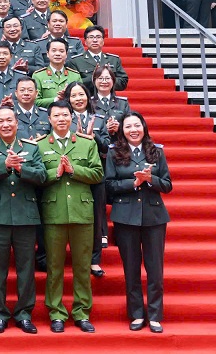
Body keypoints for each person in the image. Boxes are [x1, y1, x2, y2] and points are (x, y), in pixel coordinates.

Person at [36, 100, 103, 333]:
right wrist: (54, 173)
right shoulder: (39, 145)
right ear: (49, 119)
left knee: (82, 266)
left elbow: (98, 173)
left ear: (72, 117)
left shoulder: (86, 143)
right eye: (56, 116)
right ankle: (56, 312)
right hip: (53, 212)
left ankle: (82, 312)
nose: (61, 119)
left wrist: (74, 170)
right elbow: (35, 176)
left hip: (81, 212)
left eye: (65, 115)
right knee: (54, 267)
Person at [0, 107, 45, 334]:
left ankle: (24, 313)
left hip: (25, 214)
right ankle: (0, 314)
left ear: (17, 123)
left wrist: (21, 168)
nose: (5, 125)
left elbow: (42, 176)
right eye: (0, 121)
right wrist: (4, 166)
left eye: (9, 120)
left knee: (26, 268)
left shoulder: (31, 147)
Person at [105, 112, 172, 333]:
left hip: (154, 217)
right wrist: (133, 183)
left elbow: (167, 185)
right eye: (128, 126)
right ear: (122, 131)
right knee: (131, 269)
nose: (133, 130)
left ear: (144, 127)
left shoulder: (156, 151)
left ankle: (155, 315)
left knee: (155, 269)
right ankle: (136, 313)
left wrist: (150, 179)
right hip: (125, 217)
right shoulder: (114, 152)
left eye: (137, 125)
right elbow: (109, 185)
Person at [66, 82, 112, 278]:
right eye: (74, 95)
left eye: (81, 94)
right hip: (72, 174)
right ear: (68, 99)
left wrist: (94, 138)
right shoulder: (63, 118)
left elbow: (108, 146)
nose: (78, 99)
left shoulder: (99, 119)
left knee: (95, 217)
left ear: (87, 96)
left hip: (95, 174)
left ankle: (94, 259)